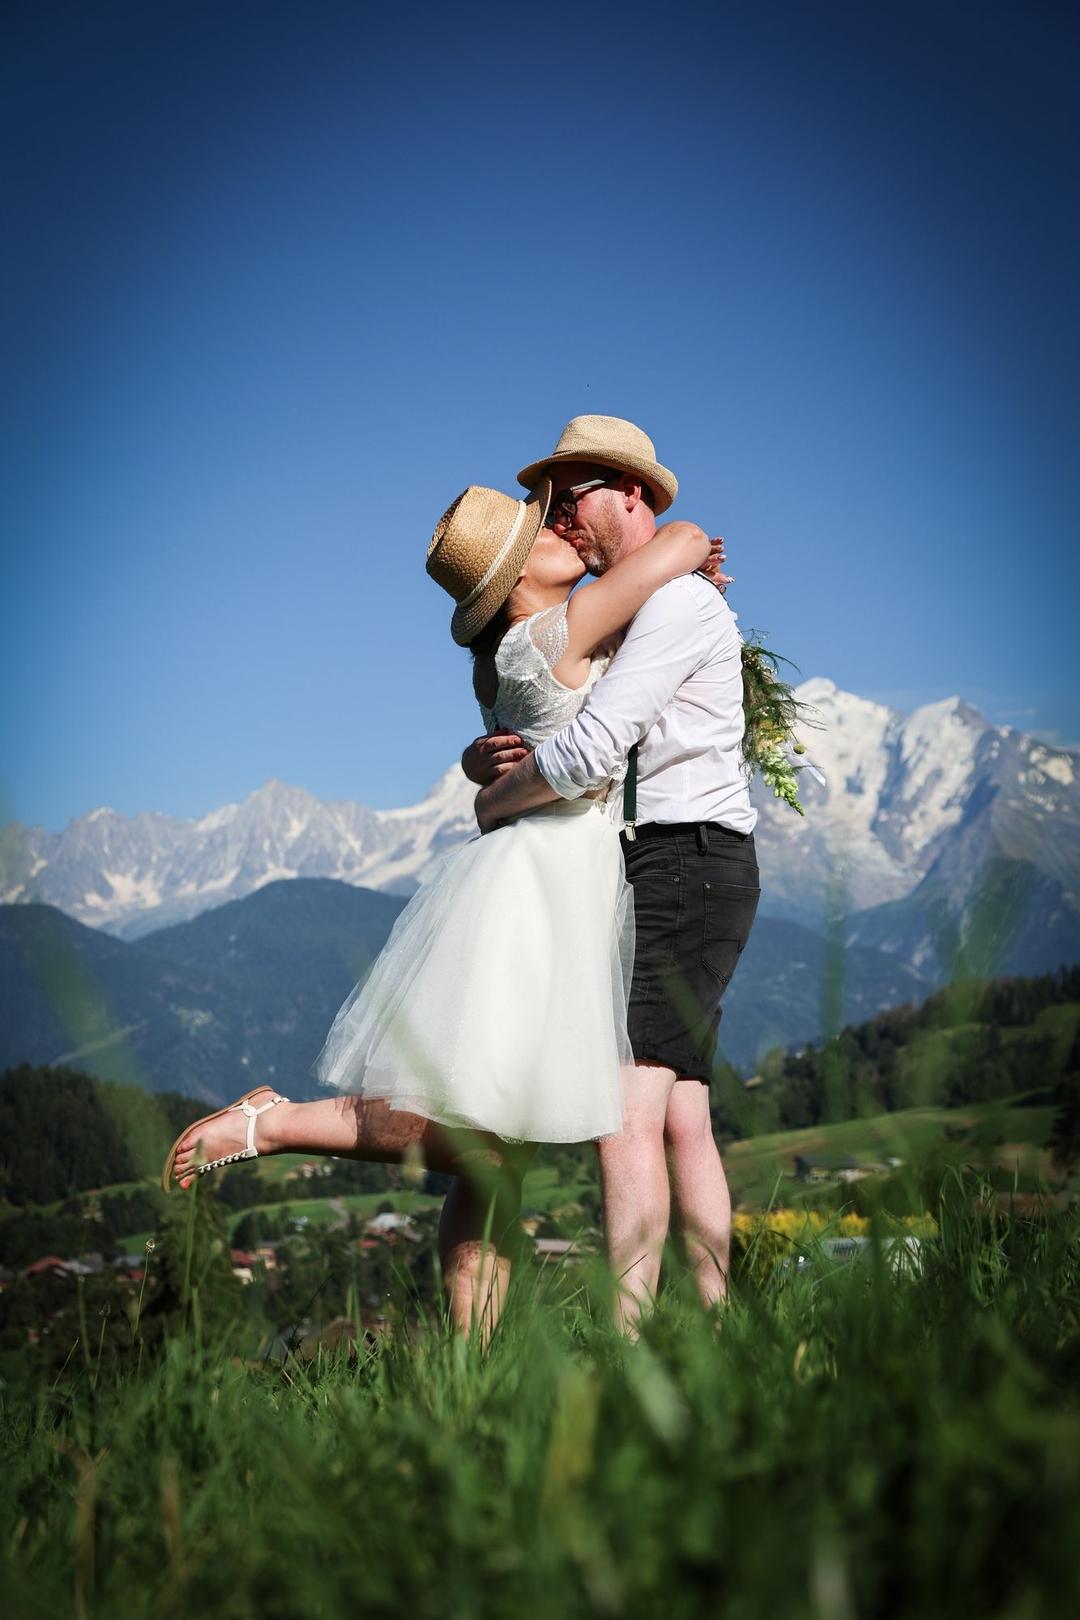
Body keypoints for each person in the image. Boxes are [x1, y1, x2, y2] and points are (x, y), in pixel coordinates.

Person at [162, 477, 722, 1339]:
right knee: (479, 1136)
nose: (562, 530)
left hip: (531, 882)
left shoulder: (509, 655)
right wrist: (680, 567)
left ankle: (471, 1361)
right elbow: (681, 540)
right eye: (542, 534)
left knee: (491, 1153)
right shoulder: (562, 626)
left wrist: (479, 773)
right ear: (516, 578)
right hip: (547, 895)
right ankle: (275, 1124)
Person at [464, 415, 760, 1333]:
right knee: (681, 1117)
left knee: (623, 1112)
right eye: (550, 505)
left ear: (626, 492)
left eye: (571, 498)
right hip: (688, 862)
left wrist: (490, 801)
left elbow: (591, 749)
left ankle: (629, 1345)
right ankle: (714, 1325)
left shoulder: (673, 606)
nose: (560, 518)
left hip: (684, 860)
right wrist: (491, 759)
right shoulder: (647, 601)